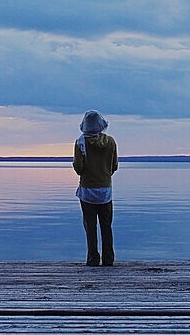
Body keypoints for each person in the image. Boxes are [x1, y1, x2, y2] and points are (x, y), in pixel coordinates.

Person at [72, 109, 118, 266]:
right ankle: (108, 259)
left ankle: (92, 259)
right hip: (105, 190)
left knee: (90, 226)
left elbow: (79, 168)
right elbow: (114, 166)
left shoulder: (80, 142)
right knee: (106, 226)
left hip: (87, 191)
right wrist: (104, 175)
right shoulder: (110, 142)